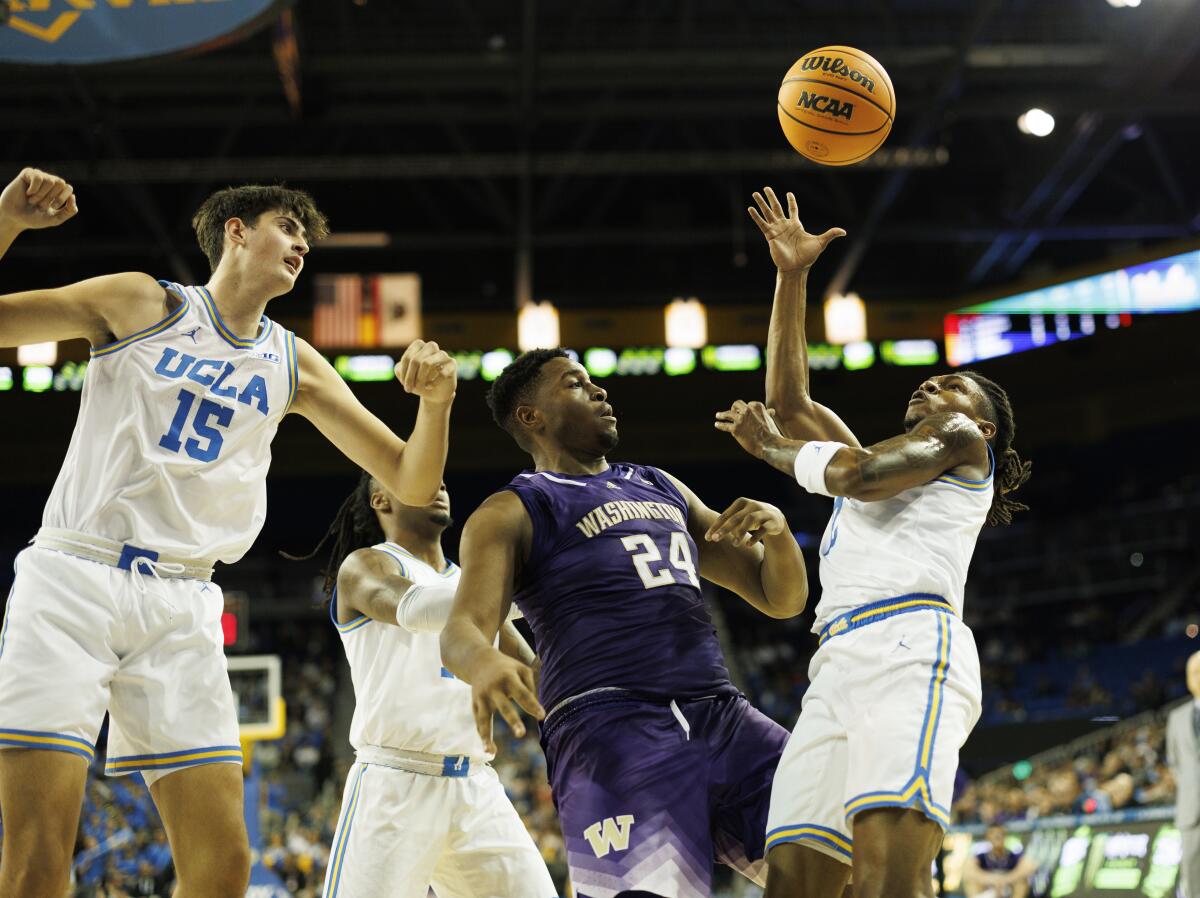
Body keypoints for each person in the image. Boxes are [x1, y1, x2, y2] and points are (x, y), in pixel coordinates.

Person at [0, 168, 458, 898]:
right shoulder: (143, 301)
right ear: (236, 232)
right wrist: (8, 222)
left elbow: (409, 482)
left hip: (184, 601)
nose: (302, 244)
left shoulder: (294, 361)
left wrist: (435, 406)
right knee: (36, 859)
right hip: (75, 579)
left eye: (307, 237)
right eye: (289, 226)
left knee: (224, 869)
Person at [716, 186, 1031, 898]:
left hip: (911, 653)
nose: (933, 385)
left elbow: (853, 471)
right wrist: (792, 276)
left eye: (953, 385)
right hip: (835, 666)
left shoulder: (954, 443)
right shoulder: (878, 472)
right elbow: (792, 403)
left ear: (981, 430)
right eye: (931, 381)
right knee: (794, 882)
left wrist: (772, 450)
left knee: (894, 880)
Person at [440, 348, 809, 898]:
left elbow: (780, 599)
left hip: (722, 714)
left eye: (594, 383)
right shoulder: (512, 510)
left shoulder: (661, 486)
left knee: (840, 862)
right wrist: (487, 660)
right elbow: (462, 631)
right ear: (530, 416)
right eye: (575, 385)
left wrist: (777, 533)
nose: (599, 391)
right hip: (612, 727)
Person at [294, 472, 556, 897]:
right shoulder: (367, 565)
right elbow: (414, 608)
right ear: (381, 499)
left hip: (475, 784)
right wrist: (540, 587)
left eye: (444, 480)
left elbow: (541, 683)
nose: (439, 485)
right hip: (395, 783)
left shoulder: (474, 586)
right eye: (420, 476)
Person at [1166, 651, 1200, 898]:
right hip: (1191, 812)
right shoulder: (1176, 717)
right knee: (1192, 874)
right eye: (1195, 672)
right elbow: (1175, 762)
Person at [961, 824, 1036, 898]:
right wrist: (992, 880)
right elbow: (967, 871)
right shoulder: (981, 857)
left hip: (1008, 889)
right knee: (971, 882)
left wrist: (1005, 880)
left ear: (1005, 836)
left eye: (1000, 834)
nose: (997, 836)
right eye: (993, 834)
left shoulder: (1013, 856)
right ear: (987, 837)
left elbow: (1030, 867)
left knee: (1021, 882)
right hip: (988, 889)